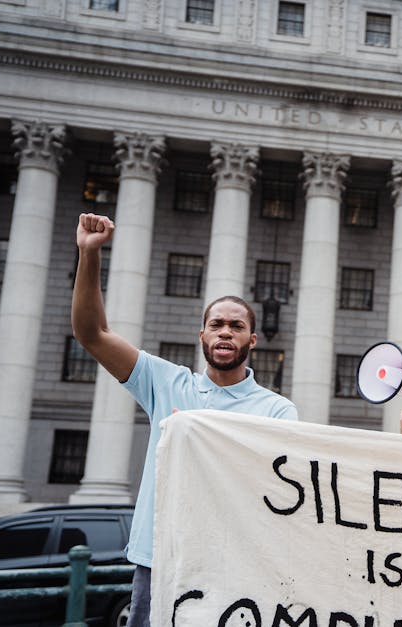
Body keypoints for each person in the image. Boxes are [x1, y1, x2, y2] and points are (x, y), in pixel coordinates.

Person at [71, 213, 298, 627]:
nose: (225, 332)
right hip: (159, 561)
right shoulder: (165, 382)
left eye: (236, 326)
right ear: (203, 336)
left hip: (234, 568)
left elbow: (278, 493)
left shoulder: (278, 411)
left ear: (252, 340)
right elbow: (92, 334)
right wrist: (89, 255)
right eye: (216, 325)